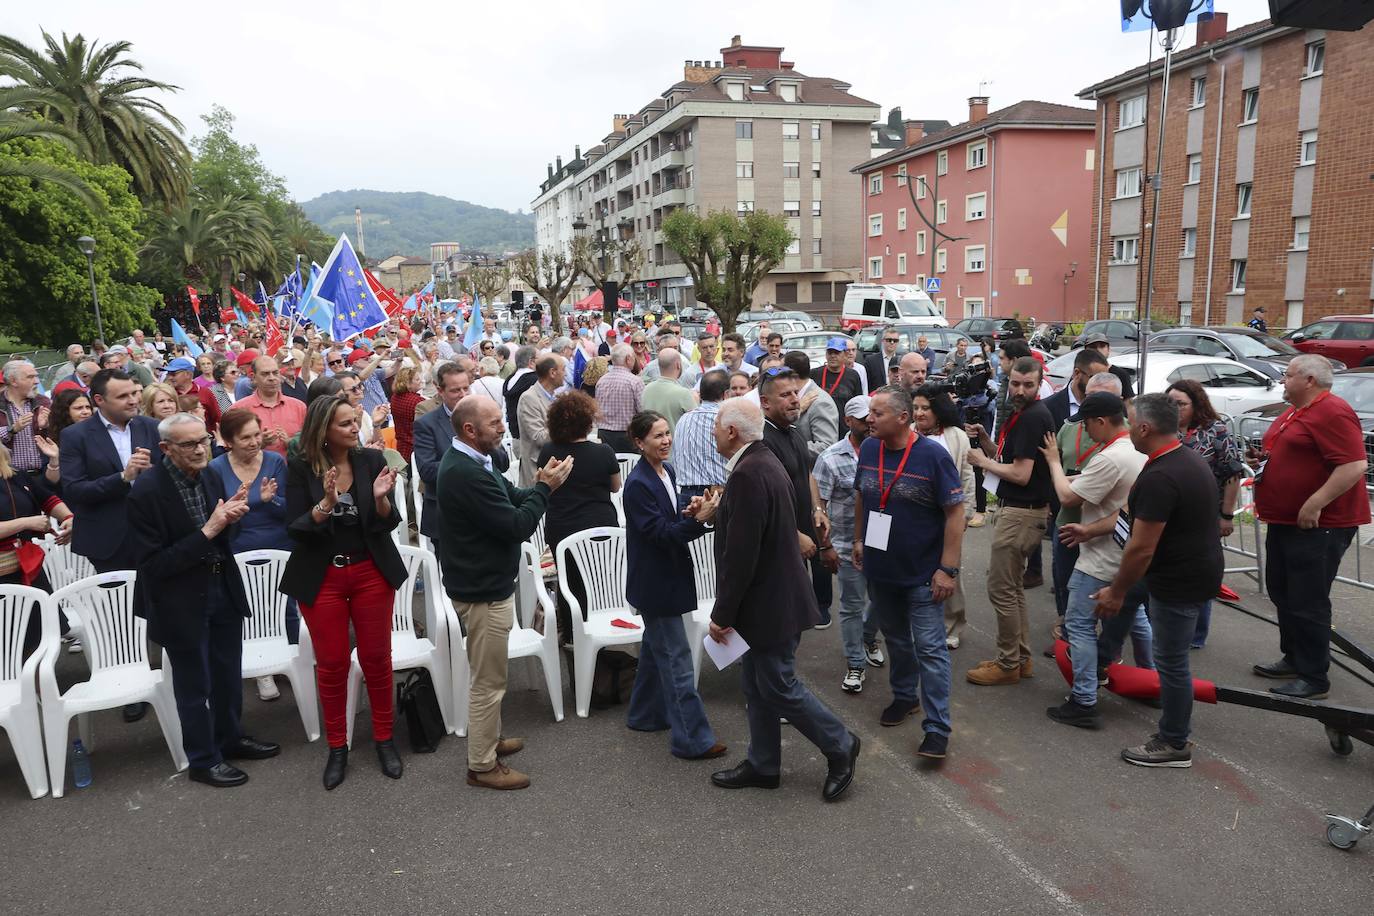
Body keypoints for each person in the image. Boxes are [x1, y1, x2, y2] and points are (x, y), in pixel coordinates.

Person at [707, 398, 859, 801]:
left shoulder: (750, 471)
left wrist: (723, 613)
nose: (713, 432)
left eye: (717, 426)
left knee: (777, 685)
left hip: (769, 602)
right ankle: (763, 763)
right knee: (757, 685)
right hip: (771, 598)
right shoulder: (759, 460)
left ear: (733, 432)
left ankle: (840, 743)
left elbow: (742, 554)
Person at [127, 412, 281, 788]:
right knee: (194, 684)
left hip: (220, 586)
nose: (200, 450)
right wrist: (210, 529)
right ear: (166, 448)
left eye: (203, 442)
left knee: (228, 674)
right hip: (179, 599)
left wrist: (233, 517)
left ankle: (230, 739)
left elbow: (222, 534)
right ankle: (203, 758)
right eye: (189, 444)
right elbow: (153, 565)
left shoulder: (209, 474)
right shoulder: (146, 492)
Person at [437, 397, 572, 790]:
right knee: (490, 681)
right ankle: (481, 765)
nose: (502, 427)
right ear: (470, 431)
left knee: (490, 676)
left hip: (484, 583)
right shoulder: (466, 472)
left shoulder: (473, 462)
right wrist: (545, 490)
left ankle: (489, 741)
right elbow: (517, 525)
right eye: (495, 423)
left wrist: (538, 486)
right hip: (482, 591)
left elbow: (512, 499)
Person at [280, 396, 406, 789]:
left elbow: (388, 523)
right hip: (323, 577)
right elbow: (296, 528)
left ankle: (384, 738)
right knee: (332, 664)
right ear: (323, 430)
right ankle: (338, 746)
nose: (355, 428)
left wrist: (382, 499)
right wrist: (325, 504)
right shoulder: (301, 466)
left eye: (355, 421)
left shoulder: (370, 461)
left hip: (370, 571)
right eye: (346, 424)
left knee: (376, 658)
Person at [1093, 394, 1223, 767]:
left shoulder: (1163, 475)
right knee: (1129, 597)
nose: (1126, 427)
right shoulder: (1182, 458)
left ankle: (1174, 742)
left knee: (1172, 662)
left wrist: (1116, 590)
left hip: (1178, 580)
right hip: (1179, 571)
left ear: (1145, 428)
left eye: (1130, 421)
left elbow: (1141, 549)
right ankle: (1103, 660)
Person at [852, 387, 965, 759]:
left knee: (931, 650)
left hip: (923, 574)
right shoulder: (869, 449)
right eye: (869, 412)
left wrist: (947, 569)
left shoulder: (933, 455)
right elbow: (862, 496)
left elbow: (955, 513)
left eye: (877, 413)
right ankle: (904, 697)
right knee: (897, 641)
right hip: (881, 570)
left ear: (902, 418)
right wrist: (857, 540)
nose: (869, 419)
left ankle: (937, 729)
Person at [1252, 354, 1370, 700]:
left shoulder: (1332, 411)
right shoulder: (1297, 410)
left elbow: (1354, 465)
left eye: (1288, 376)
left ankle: (1314, 676)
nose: (1282, 381)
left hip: (1321, 524)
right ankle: (1295, 656)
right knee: (1282, 590)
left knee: (1308, 599)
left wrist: (1315, 502)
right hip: (1285, 519)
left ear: (1309, 380)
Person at [1038, 391, 1146, 729]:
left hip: (1101, 559)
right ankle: (1150, 680)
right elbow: (1094, 486)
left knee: (1080, 625)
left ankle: (1084, 699)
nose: (1085, 432)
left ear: (1101, 421)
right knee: (1135, 617)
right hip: (1127, 555)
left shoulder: (1111, 457)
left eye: (1087, 425)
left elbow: (1069, 495)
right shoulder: (1136, 451)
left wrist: (1054, 463)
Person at [622, 410, 723, 758]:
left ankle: (645, 715)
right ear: (639, 442)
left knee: (655, 650)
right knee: (678, 662)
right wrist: (700, 522)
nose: (666, 441)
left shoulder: (667, 471)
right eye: (657, 436)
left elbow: (666, 517)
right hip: (656, 583)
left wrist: (690, 510)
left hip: (665, 577)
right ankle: (692, 740)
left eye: (667, 433)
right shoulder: (636, 484)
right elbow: (660, 535)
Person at [965, 356, 1056, 686]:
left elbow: (1020, 473)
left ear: (1039, 384)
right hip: (1022, 512)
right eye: (1015, 384)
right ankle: (1020, 658)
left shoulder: (1033, 416)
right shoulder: (1024, 415)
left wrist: (980, 461)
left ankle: (1007, 664)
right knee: (1013, 589)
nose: (1019, 390)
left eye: (1027, 385)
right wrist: (986, 444)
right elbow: (1010, 459)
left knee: (1001, 589)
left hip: (1021, 514)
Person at [206, 407, 294, 700]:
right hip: (238, 547)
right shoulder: (216, 469)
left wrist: (270, 502)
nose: (255, 441)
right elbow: (219, 513)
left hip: (279, 543)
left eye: (257, 435)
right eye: (246, 437)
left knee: (286, 605)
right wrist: (258, 500)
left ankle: (295, 657)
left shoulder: (275, 461)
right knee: (249, 608)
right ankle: (261, 670)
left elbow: (288, 507)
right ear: (229, 440)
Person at [1165, 378, 1245, 649]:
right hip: (1169, 515)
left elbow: (1232, 473)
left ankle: (1196, 635)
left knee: (1199, 573)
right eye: (1170, 403)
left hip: (1206, 516)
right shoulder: (1163, 429)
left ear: (1196, 404)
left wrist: (1227, 515)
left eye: (1181, 404)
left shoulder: (1215, 430)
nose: (1175, 409)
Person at [536, 391, 621, 640]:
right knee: (599, 576)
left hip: (562, 525)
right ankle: (602, 623)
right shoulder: (603, 451)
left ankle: (574, 632)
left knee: (568, 581)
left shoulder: (549, 451)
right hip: (601, 525)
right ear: (588, 420)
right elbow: (615, 487)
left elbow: (543, 487)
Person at [814, 395, 885, 693]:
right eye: (862, 417)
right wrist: (825, 546)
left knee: (883, 600)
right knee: (852, 605)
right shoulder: (830, 457)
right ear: (848, 422)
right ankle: (855, 662)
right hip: (844, 544)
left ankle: (868, 637)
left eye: (873, 415)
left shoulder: (885, 450)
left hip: (881, 539)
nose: (870, 421)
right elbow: (819, 504)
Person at [758, 368, 830, 626]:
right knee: (778, 621)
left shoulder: (794, 432)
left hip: (800, 539)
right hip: (778, 548)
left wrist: (818, 509)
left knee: (796, 620)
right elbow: (764, 502)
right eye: (785, 395)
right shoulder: (763, 441)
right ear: (765, 403)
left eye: (795, 393)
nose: (794, 399)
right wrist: (793, 535)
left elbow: (806, 471)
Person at [912, 385, 977, 650]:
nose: (918, 413)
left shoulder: (956, 436)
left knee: (950, 572)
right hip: (915, 519)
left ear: (938, 410)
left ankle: (952, 625)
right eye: (915, 408)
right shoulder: (907, 433)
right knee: (916, 574)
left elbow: (967, 476)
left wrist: (965, 516)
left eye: (925, 408)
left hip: (948, 518)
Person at [0, 441, 72, 657]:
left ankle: (38, 690)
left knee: (39, 642)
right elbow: (30, 520)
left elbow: (47, 499)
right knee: (8, 648)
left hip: (26, 569)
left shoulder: (14, 475)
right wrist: (25, 523)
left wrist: (68, 518)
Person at [413, 364, 472, 553]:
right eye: (455, 390)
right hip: (447, 515)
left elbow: (502, 462)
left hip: (485, 511)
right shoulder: (427, 424)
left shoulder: (480, 416)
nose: (463, 394)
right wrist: (469, 463)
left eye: (466, 388)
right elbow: (427, 471)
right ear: (440, 391)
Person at [671, 371, 729, 508]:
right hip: (716, 495)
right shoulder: (724, 419)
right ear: (726, 394)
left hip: (685, 494)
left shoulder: (683, 419)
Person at [516, 355, 564, 487]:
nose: (565, 374)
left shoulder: (555, 397)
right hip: (536, 473)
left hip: (552, 472)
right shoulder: (529, 398)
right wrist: (566, 425)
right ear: (553, 372)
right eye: (563, 369)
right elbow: (539, 438)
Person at [787, 351, 839, 461]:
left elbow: (826, 447)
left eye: (782, 373)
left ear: (793, 375)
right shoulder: (794, 397)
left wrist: (786, 447)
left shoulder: (821, 403)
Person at [1, 360, 51, 476]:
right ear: (14, 381)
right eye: (30, 377)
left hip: (42, 473)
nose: (37, 381)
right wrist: (12, 429)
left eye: (36, 377)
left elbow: (60, 436)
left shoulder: (43, 401)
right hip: (9, 476)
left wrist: (46, 427)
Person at [596, 344, 644, 454]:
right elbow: (642, 411)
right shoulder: (635, 381)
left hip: (604, 433)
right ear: (628, 359)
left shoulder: (601, 381)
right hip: (627, 435)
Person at [641, 349, 697, 431]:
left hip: (651, 442)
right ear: (678, 365)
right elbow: (695, 423)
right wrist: (697, 401)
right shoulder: (683, 393)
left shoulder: (646, 389)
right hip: (674, 442)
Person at [811, 337, 864, 418]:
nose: (832, 356)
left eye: (837, 353)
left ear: (845, 354)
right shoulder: (814, 374)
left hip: (843, 426)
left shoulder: (853, 375)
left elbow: (858, 404)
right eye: (830, 352)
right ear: (826, 354)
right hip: (820, 423)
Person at [864, 327, 903, 393]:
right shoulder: (870, 361)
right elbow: (867, 385)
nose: (892, 342)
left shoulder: (903, 360)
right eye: (889, 340)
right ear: (883, 341)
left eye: (895, 340)